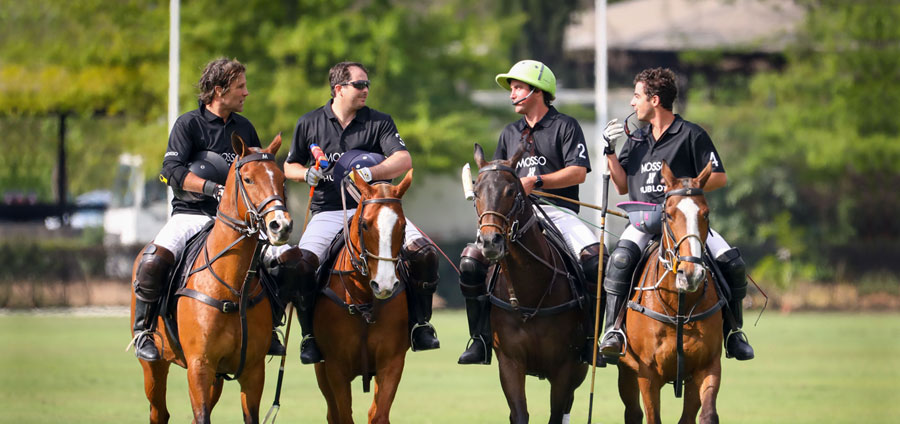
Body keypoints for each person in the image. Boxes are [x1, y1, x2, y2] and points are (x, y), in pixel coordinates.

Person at [269, 61, 440, 364]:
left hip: (376, 210)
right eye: (360, 85)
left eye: (367, 84)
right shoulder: (310, 122)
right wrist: (306, 175)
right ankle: (309, 336)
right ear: (339, 89)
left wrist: (369, 174)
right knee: (299, 266)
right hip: (329, 211)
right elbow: (289, 165)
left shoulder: (379, 122)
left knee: (424, 254)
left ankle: (420, 325)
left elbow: (403, 160)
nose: (366, 90)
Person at [132, 58, 287, 361]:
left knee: (283, 261)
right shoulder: (189, 124)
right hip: (191, 216)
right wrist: (213, 189)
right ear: (219, 90)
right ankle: (144, 331)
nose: (246, 93)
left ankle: (269, 327)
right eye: (240, 86)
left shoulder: (244, 128)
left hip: (238, 223)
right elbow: (170, 171)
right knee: (152, 261)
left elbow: (258, 170)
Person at [599, 67, 755, 362]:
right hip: (644, 221)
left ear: (654, 100)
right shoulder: (637, 140)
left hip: (685, 225)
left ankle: (734, 333)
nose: (633, 103)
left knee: (732, 263)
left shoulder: (691, 134)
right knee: (619, 260)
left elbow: (719, 177)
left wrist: (686, 191)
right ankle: (613, 330)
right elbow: (620, 185)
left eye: (637, 96)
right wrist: (608, 150)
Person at [457, 59, 603, 365]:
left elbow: (578, 173)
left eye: (518, 88)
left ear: (537, 91)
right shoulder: (510, 132)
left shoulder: (565, 126)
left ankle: (591, 339)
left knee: (594, 262)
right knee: (471, 262)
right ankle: (481, 340)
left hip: (559, 211)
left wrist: (536, 181)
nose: (512, 95)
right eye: (511, 89)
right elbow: (496, 175)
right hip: (512, 217)